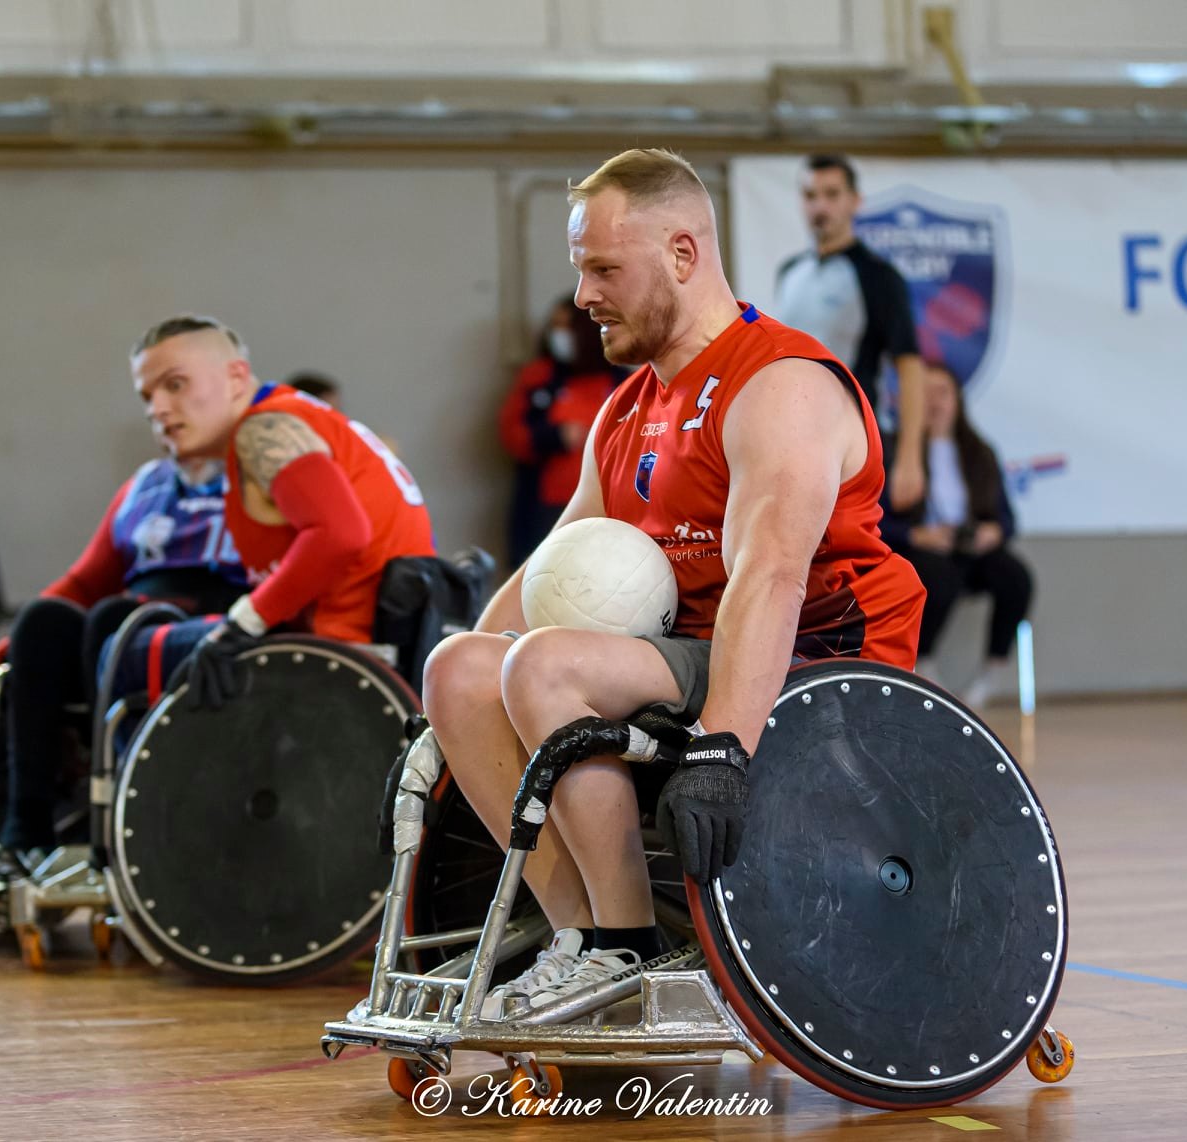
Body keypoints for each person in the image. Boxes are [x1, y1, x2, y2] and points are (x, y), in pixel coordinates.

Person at [421, 149, 926, 1017]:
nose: (583, 295)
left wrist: (723, 746)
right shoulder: (626, 409)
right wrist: (437, 719)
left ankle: (627, 944)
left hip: (815, 658)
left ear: (683, 254)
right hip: (683, 653)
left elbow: (772, 577)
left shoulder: (780, 383)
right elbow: (552, 560)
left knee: (543, 665)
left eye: (603, 269)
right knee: (460, 668)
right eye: (581, 270)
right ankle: (581, 942)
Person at [128, 315, 436, 710]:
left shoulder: (262, 429)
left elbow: (341, 534)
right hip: (388, 638)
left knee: (124, 649)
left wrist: (243, 624)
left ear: (237, 377)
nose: (156, 409)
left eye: (175, 384)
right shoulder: (296, 414)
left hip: (349, 655)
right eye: (147, 396)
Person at [0, 440, 247, 860]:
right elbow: (83, 581)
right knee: (40, 621)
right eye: (151, 407)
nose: (161, 412)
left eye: (177, 402)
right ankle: (27, 823)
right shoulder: (145, 485)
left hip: (207, 626)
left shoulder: (261, 477)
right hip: (123, 622)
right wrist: (14, 641)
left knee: (115, 620)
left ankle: (112, 804)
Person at [773, 154, 927, 514]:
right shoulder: (790, 272)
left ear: (855, 201)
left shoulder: (878, 276)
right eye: (810, 196)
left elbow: (909, 366)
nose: (820, 206)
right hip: (792, 443)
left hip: (854, 447)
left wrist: (910, 457)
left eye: (832, 194)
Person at [880, 361, 1033, 708]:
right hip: (920, 548)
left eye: (942, 393)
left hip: (970, 549)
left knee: (1015, 577)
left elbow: (1006, 519)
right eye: (925, 394)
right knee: (938, 576)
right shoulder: (893, 450)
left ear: (957, 400)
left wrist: (993, 531)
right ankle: (923, 663)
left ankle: (991, 672)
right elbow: (876, 518)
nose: (934, 402)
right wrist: (916, 535)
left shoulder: (980, 452)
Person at [497, 297, 622, 565]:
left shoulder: (622, 380)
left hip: (609, 508)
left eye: (566, 326)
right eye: (554, 326)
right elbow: (513, 434)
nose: (559, 334)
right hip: (547, 507)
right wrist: (554, 436)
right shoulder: (539, 377)